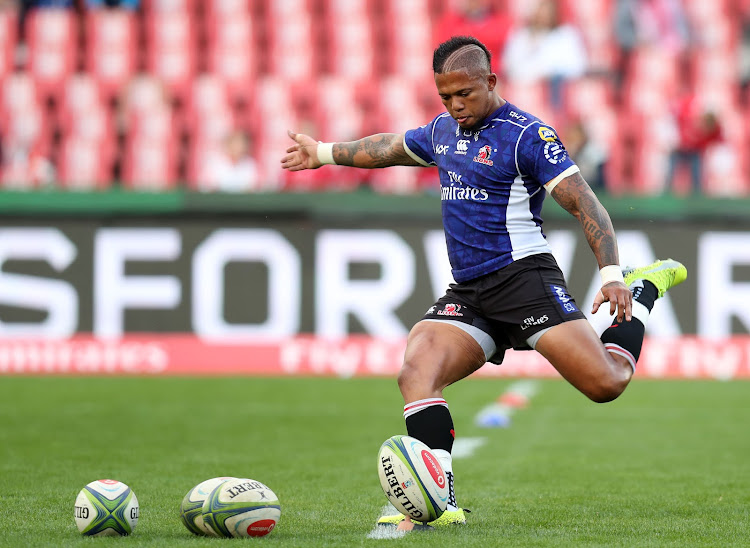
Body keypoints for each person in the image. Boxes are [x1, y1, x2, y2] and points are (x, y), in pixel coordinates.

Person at [281, 36, 687, 531]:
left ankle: (644, 292)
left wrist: (611, 275)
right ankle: (442, 501)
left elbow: (586, 204)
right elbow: (388, 148)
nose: (455, 106)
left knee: (606, 384)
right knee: (417, 370)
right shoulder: (443, 131)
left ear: (491, 82)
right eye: (445, 96)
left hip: (525, 282)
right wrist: (323, 152)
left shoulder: (527, 137)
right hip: (469, 291)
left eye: (465, 94)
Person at [502, 0, 587, 108]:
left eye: (548, 10)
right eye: (541, 10)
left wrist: (550, 72)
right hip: (528, 89)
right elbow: (511, 67)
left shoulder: (566, 34)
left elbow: (577, 67)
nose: (544, 14)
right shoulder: (521, 35)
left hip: (559, 90)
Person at [664, 95, 722, 195]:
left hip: (694, 152)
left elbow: (714, 141)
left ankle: (697, 193)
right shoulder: (686, 118)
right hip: (679, 149)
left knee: (697, 168)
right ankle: (667, 191)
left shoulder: (708, 132)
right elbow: (673, 125)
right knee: (671, 167)